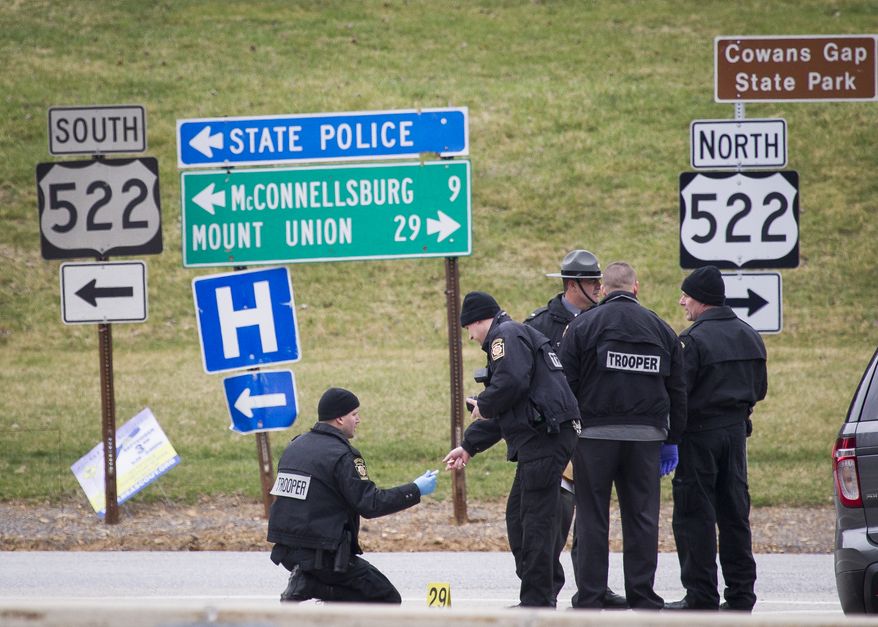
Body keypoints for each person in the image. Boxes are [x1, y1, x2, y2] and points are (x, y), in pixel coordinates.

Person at [559, 262, 687, 610]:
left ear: (603, 289)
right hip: (646, 439)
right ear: (636, 287)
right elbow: (678, 389)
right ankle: (643, 597)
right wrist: (672, 439)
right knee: (643, 518)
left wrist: (570, 433)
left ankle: (590, 597)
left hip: (594, 437)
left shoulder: (582, 326)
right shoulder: (661, 328)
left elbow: (565, 384)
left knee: (591, 517)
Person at [443, 291, 579, 607]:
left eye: (469, 328)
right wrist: (468, 446)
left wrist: (485, 405)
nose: (470, 336)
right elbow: (513, 404)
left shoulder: (505, 336)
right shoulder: (515, 337)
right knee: (519, 517)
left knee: (535, 519)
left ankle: (538, 599)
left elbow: (511, 384)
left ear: (478, 320)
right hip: (541, 439)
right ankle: (543, 588)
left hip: (547, 439)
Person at [524, 249, 627, 609]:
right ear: (573, 284)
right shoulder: (539, 326)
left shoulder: (607, 320)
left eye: (601, 282)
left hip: (597, 429)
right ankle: (545, 588)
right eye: (593, 283)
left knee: (593, 517)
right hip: (556, 435)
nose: (600, 288)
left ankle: (592, 587)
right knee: (554, 517)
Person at [267, 387, 438, 603]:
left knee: (344, 600)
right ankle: (310, 585)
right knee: (386, 597)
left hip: (288, 551)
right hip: (322, 555)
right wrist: (415, 489)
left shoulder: (295, 446)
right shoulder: (342, 455)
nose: (358, 419)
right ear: (339, 418)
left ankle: (312, 587)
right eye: (354, 414)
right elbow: (370, 504)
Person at [664, 266, 767, 612]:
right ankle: (741, 595)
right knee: (735, 513)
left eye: (686, 296)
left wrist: (671, 438)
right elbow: (759, 389)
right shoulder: (750, 335)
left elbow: (679, 395)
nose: (682, 302)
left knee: (695, 515)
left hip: (698, 437)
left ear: (702, 300)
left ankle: (701, 595)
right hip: (736, 434)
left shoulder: (692, 341)